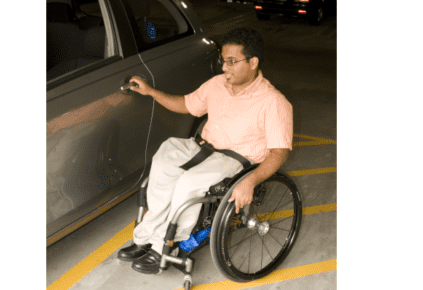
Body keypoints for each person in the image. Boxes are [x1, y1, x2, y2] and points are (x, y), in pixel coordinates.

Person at [117, 27, 293, 274]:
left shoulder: (274, 102)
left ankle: (166, 247)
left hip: (236, 158)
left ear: (253, 62)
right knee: (165, 157)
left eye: (232, 62)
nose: (224, 68)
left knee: (188, 183)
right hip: (203, 147)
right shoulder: (217, 84)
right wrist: (151, 91)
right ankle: (145, 236)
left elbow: (279, 152)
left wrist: (251, 181)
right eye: (223, 60)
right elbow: (186, 104)